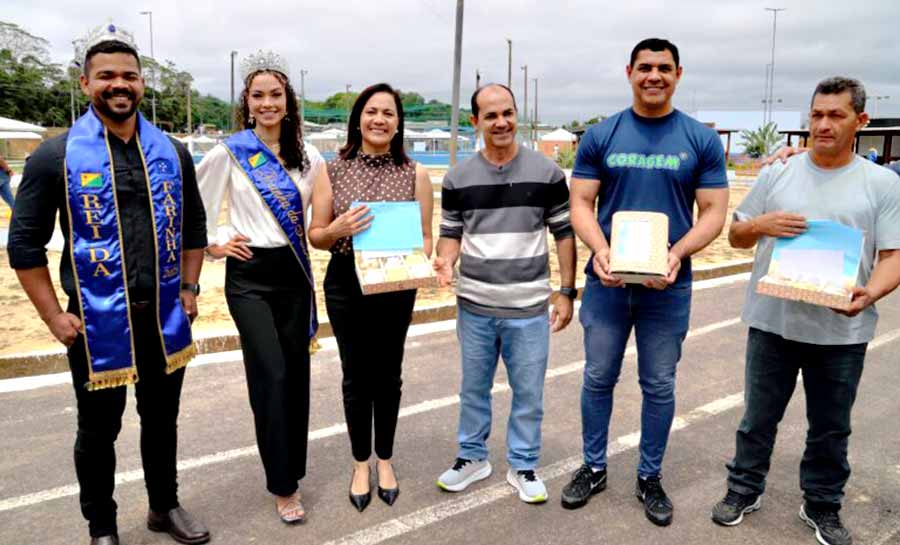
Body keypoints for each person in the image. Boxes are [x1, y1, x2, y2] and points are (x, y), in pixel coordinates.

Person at [7, 24, 209, 545]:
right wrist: (54, 316)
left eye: (130, 76)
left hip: (164, 317)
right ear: (85, 84)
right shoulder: (55, 157)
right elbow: (24, 247)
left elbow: (194, 230)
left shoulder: (173, 152)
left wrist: (189, 289)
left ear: (142, 84)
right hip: (95, 323)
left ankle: (164, 507)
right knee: (99, 432)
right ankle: (102, 526)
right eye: (106, 77)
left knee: (162, 422)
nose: (119, 85)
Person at [710, 77, 900, 545]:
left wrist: (869, 295)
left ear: (861, 121)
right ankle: (743, 489)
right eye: (816, 115)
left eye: (836, 115)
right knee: (757, 418)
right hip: (773, 324)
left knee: (831, 429)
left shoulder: (881, 183)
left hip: (841, 333)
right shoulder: (778, 173)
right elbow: (735, 235)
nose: (823, 124)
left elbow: (893, 256)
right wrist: (760, 224)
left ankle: (822, 505)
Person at [562, 38, 729, 525]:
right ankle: (593, 467)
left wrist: (676, 253)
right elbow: (580, 205)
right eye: (645, 67)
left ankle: (649, 476)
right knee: (598, 378)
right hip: (608, 284)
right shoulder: (602, 135)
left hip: (667, 285)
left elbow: (714, 212)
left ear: (679, 74)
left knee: (658, 383)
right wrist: (600, 249)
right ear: (629, 72)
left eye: (663, 68)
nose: (653, 75)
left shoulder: (698, 138)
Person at [434, 83, 577, 504]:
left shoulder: (548, 173)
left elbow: (564, 234)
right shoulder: (456, 178)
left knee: (529, 392)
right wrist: (446, 260)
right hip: (475, 306)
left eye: (508, 113)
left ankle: (524, 463)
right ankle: (473, 457)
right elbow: (451, 234)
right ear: (474, 122)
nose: (501, 122)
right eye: (491, 115)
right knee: (473, 389)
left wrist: (566, 291)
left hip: (530, 308)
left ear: (517, 116)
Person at [196, 50, 323, 524]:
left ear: (287, 103)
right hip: (249, 277)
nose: (267, 103)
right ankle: (283, 486)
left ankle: (293, 467)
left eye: (276, 95)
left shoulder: (309, 157)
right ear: (247, 104)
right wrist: (215, 243)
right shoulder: (228, 152)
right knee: (269, 374)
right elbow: (197, 207)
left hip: (293, 274)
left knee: (296, 375)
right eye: (258, 96)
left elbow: (319, 219)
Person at [308, 82, 433, 512]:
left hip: (396, 284)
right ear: (358, 117)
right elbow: (316, 235)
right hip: (346, 281)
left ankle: (386, 459)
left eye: (389, 113)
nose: (380, 120)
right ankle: (360, 462)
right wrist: (337, 230)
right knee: (356, 375)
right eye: (372, 111)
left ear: (399, 123)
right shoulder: (332, 169)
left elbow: (427, 236)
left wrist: (420, 263)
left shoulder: (415, 173)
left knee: (389, 374)